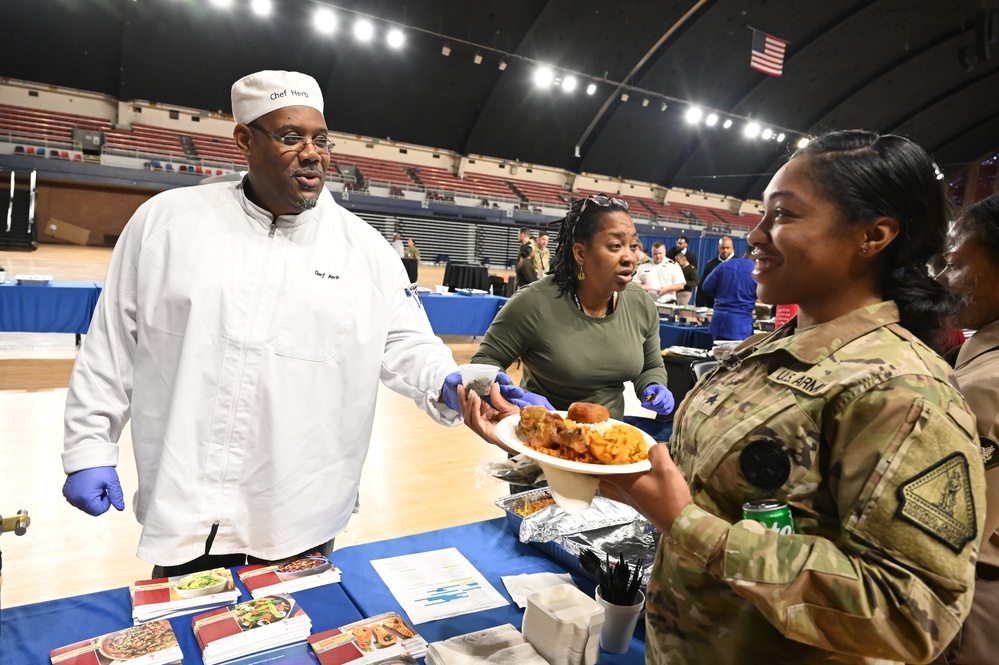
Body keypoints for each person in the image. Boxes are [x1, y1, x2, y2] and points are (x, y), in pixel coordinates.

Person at [461, 131, 986, 664]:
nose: (754, 236)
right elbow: (707, 495)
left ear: (872, 235)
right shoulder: (768, 354)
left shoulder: (902, 391)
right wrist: (558, 446)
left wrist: (687, 526)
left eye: (782, 216)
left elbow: (913, 615)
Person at [58, 70, 498, 577]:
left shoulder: (367, 252)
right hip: (187, 513)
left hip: (302, 517)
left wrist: (453, 381)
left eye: (321, 140)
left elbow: (408, 342)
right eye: (291, 137)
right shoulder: (167, 224)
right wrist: (89, 445)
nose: (312, 153)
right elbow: (112, 345)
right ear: (244, 140)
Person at [471, 194, 673, 421]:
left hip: (606, 443)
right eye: (616, 246)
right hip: (539, 440)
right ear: (580, 253)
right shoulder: (533, 303)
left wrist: (653, 385)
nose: (629, 257)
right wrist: (514, 395)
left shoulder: (641, 304)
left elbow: (651, 365)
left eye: (633, 245)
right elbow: (484, 363)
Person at [930, 192, 999, 665]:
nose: (940, 278)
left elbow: (948, 533)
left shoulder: (985, 387)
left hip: (969, 605)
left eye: (955, 265)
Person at [701, 246, 756, 340]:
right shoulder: (756, 271)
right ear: (755, 252)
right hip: (740, 324)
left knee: (717, 353)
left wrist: (721, 297)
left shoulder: (725, 265)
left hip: (718, 321)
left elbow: (706, 286)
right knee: (737, 353)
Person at [695, 236, 735, 307]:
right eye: (723, 248)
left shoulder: (738, 263)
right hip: (712, 305)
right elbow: (702, 286)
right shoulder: (711, 264)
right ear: (718, 248)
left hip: (731, 306)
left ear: (732, 247)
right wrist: (699, 306)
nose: (725, 250)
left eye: (728, 248)